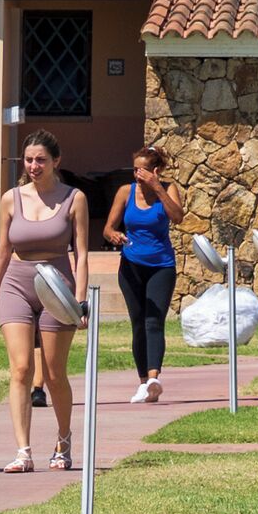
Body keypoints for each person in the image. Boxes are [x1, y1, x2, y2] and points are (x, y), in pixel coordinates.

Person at [0, 136, 91, 472]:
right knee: (21, 369)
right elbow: (2, 251)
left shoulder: (74, 198)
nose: (34, 167)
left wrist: (80, 301)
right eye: (29, 160)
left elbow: (81, 253)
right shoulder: (10, 199)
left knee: (53, 374)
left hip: (57, 286)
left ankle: (63, 441)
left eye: (41, 160)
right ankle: (23, 451)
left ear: (56, 161)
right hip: (16, 285)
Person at [105, 146, 182, 403]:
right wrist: (114, 235)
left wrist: (158, 187)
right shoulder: (126, 192)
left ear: (156, 170)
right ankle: (142, 382)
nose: (138, 174)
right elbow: (108, 228)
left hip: (161, 266)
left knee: (153, 321)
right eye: (135, 169)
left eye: (143, 169)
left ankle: (153, 378)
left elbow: (178, 217)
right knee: (138, 324)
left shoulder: (168, 189)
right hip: (131, 266)